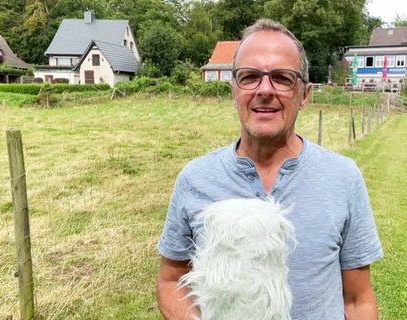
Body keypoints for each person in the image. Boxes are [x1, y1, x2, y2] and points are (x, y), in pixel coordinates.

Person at [156, 18, 383, 320]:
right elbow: (171, 280)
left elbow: (358, 300)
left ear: (304, 94)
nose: (265, 90)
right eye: (250, 77)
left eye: (282, 77)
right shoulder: (195, 179)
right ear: (233, 90)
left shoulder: (343, 178)